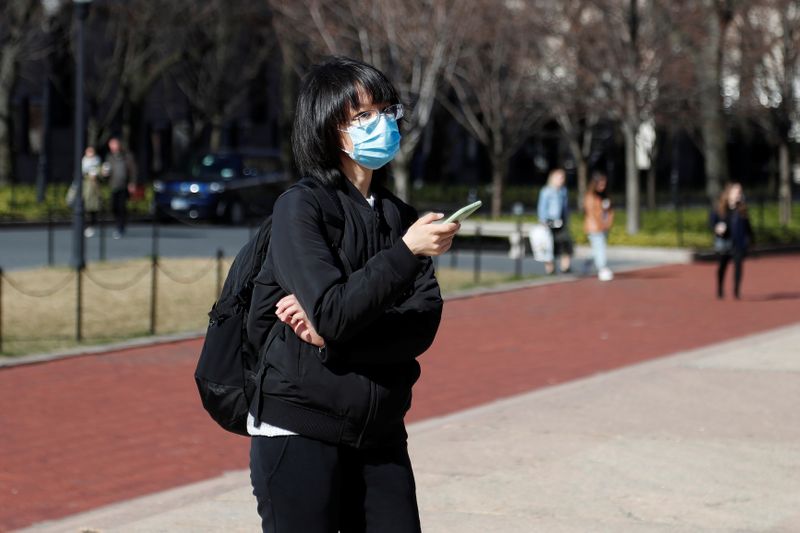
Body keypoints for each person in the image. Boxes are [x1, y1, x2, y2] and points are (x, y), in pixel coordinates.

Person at [245, 57, 459, 532]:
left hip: (378, 429)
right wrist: (403, 256)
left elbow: (420, 325)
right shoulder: (300, 207)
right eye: (362, 116)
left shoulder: (399, 215)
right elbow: (334, 310)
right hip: (300, 426)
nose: (380, 123)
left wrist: (334, 334)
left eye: (386, 110)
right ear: (327, 127)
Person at [710, 182, 753, 299]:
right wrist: (716, 228)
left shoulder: (742, 209)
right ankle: (720, 288)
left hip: (737, 243)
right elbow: (712, 222)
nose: (739, 194)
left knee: (738, 266)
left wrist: (750, 240)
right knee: (722, 267)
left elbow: (748, 226)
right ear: (729, 193)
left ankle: (736, 291)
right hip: (724, 243)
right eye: (737, 192)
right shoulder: (720, 208)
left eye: (740, 192)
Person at [537, 168, 573, 274]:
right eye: (559, 177)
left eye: (562, 177)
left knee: (566, 242)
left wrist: (567, 219)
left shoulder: (563, 191)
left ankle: (565, 267)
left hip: (561, 221)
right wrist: (543, 221)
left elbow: (565, 208)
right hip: (550, 221)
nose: (561, 179)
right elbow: (542, 207)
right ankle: (550, 269)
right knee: (548, 244)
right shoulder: (546, 191)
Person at [102, 137, 136, 239]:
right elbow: (106, 171)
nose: (113, 147)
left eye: (114, 144)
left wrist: (132, 183)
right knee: (114, 206)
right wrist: (104, 174)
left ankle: (120, 227)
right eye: (111, 145)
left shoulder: (126, 156)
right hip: (113, 185)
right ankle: (118, 224)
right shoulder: (109, 157)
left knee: (122, 207)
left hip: (124, 185)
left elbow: (132, 170)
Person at [583, 171, 614, 281]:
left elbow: (609, 210)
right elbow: (591, 213)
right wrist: (600, 224)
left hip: (604, 226)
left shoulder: (605, 196)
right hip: (594, 227)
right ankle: (602, 268)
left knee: (596, 249)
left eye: (604, 184)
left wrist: (608, 223)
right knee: (600, 248)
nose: (602, 186)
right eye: (600, 184)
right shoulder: (590, 196)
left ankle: (587, 262)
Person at [81, 146, 102, 237]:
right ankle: (86, 226)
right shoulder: (83, 161)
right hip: (86, 187)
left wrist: (98, 174)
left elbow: (101, 174)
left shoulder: (97, 161)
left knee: (94, 207)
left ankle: (92, 225)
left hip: (94, 187)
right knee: (85, 207)